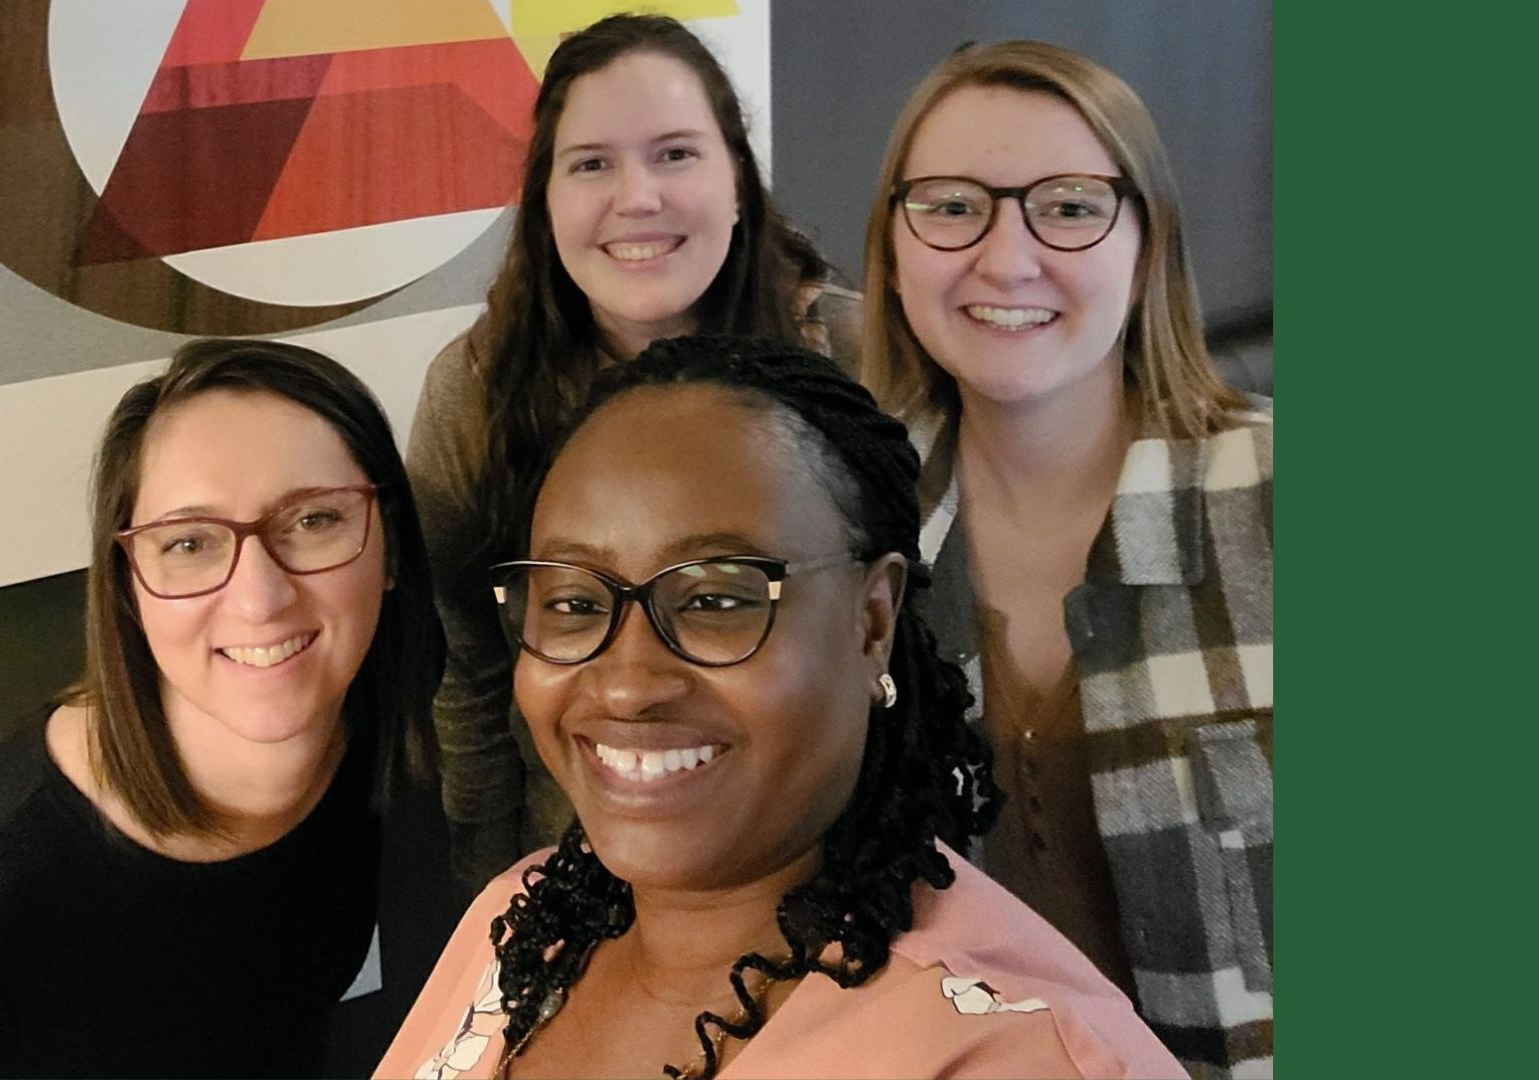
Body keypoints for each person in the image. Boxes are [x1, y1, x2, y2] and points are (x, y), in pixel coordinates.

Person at [378, 336, 1182, 1079]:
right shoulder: (523, 924)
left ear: (874, 620)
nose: (625, 684)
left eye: (717, 600)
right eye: (576, 603)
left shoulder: (1017, 1055)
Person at [859, 41, 1273, 1077]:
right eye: (952, 206)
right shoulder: (845, 531)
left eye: (1073, 205)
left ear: (1149, 242)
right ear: (893, 246)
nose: (1006, 259)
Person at [407, 12, 864, 900]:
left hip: (827, 862)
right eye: (591, 164)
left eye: (676, 154)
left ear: (739, 179)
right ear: (546, 199)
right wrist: (498, 892)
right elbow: (469, 666)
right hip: (589, 872)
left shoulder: (850, 357)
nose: (638, 197)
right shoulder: (473, 393)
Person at [0, 339, 445, 1077]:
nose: (260, 599)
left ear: (389, 546)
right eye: (190, 542)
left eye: (314, 520)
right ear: (129, 585)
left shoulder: (381, 753)